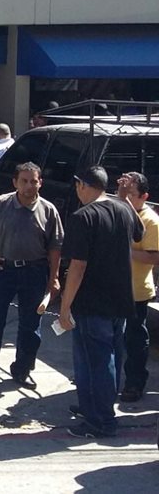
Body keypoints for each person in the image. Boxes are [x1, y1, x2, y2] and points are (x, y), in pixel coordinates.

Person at [59, 167, 144, 438]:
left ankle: (100, 420)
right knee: (111, 358)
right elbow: (138, 232)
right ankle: (94, 408)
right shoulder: (122, 209)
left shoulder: (83, 216)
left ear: (82, 185)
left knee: (93, 362)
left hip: (91, 301)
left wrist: (64, 306)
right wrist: (124, 198)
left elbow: (78, 265)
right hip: (120, 298)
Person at [0, 162, 63, 390]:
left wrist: (53, 278)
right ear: (15, 182)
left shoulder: (48, 210)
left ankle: (23, 369)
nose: (29, 186)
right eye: (24, 180)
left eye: (33, 181)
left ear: (40, 182)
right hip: (3, 271)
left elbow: (55, 247)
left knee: (30, 325)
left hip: (35, 272)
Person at [116, 172, 159, 403]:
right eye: (123, 192)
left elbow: (154, 257)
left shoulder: (150, 220)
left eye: (130, 194)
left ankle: (134, 382)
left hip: (136, 291)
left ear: (144, 196)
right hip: (114, 290)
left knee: (134, 340)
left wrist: (126, 251)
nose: (125, 198)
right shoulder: (118, 211)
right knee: (113, 339)